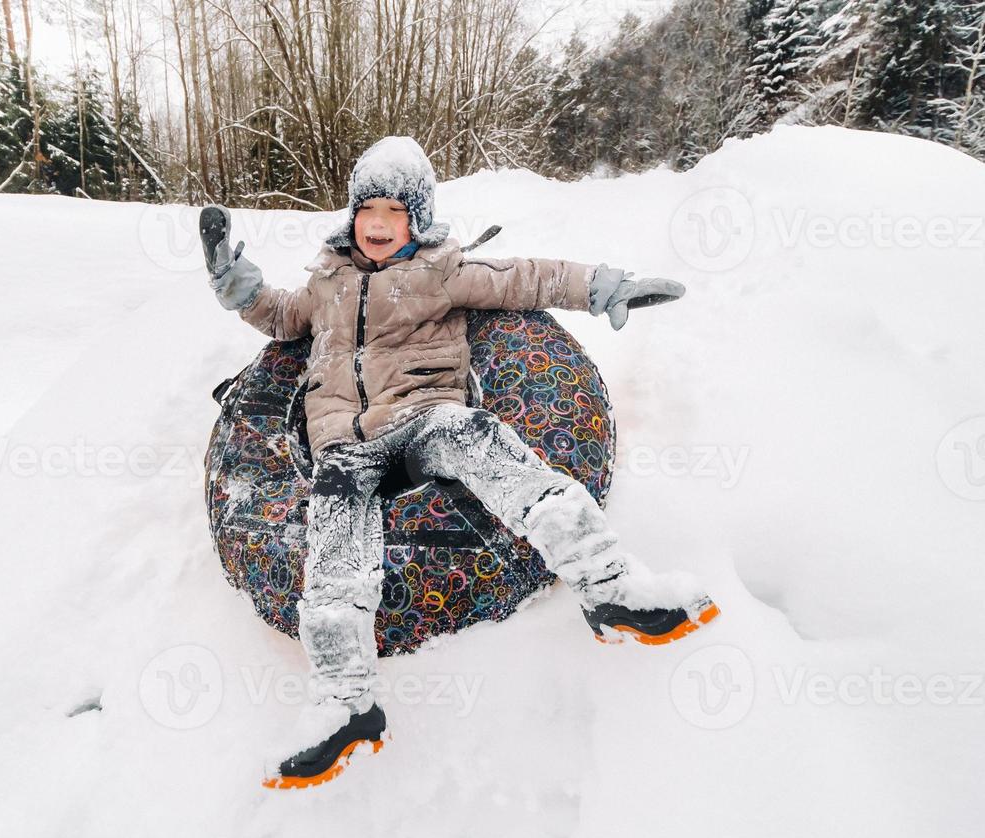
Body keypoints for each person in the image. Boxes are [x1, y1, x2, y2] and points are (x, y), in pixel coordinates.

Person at [199, 135, 719, 790]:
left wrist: (603, 286)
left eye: (395, 213)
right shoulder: (326, 280)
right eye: (368, 212)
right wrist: (233, 282)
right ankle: (345, 701)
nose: (379, 225)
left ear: (417, 219)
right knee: (333, 555)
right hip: (341, 445)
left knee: (492, 448)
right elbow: (280, 317)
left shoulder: (441, 272)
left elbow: (525, 278)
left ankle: (610, 587)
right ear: (352, 216)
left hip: (424, 416)